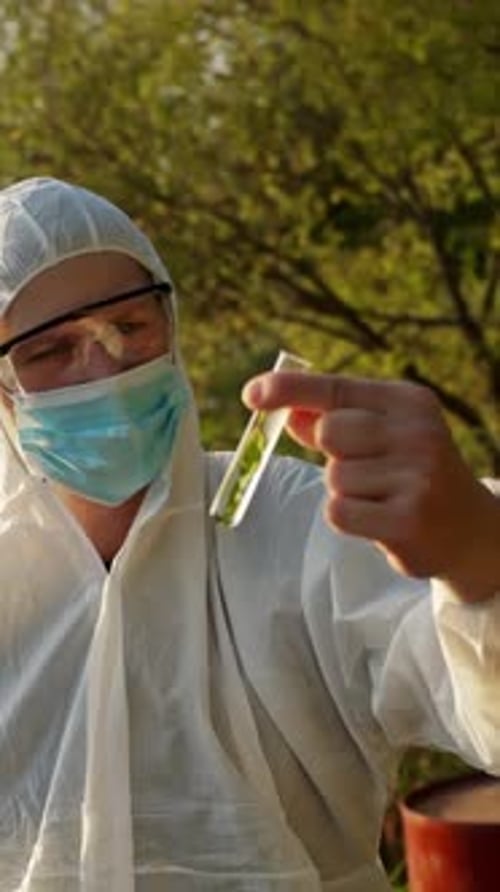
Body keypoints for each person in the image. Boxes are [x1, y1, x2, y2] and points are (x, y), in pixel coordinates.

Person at [0, 176, 498, 892]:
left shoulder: (303, 530)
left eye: (131, 326)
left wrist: (479, 557)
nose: (105, 368)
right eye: (49, 352)